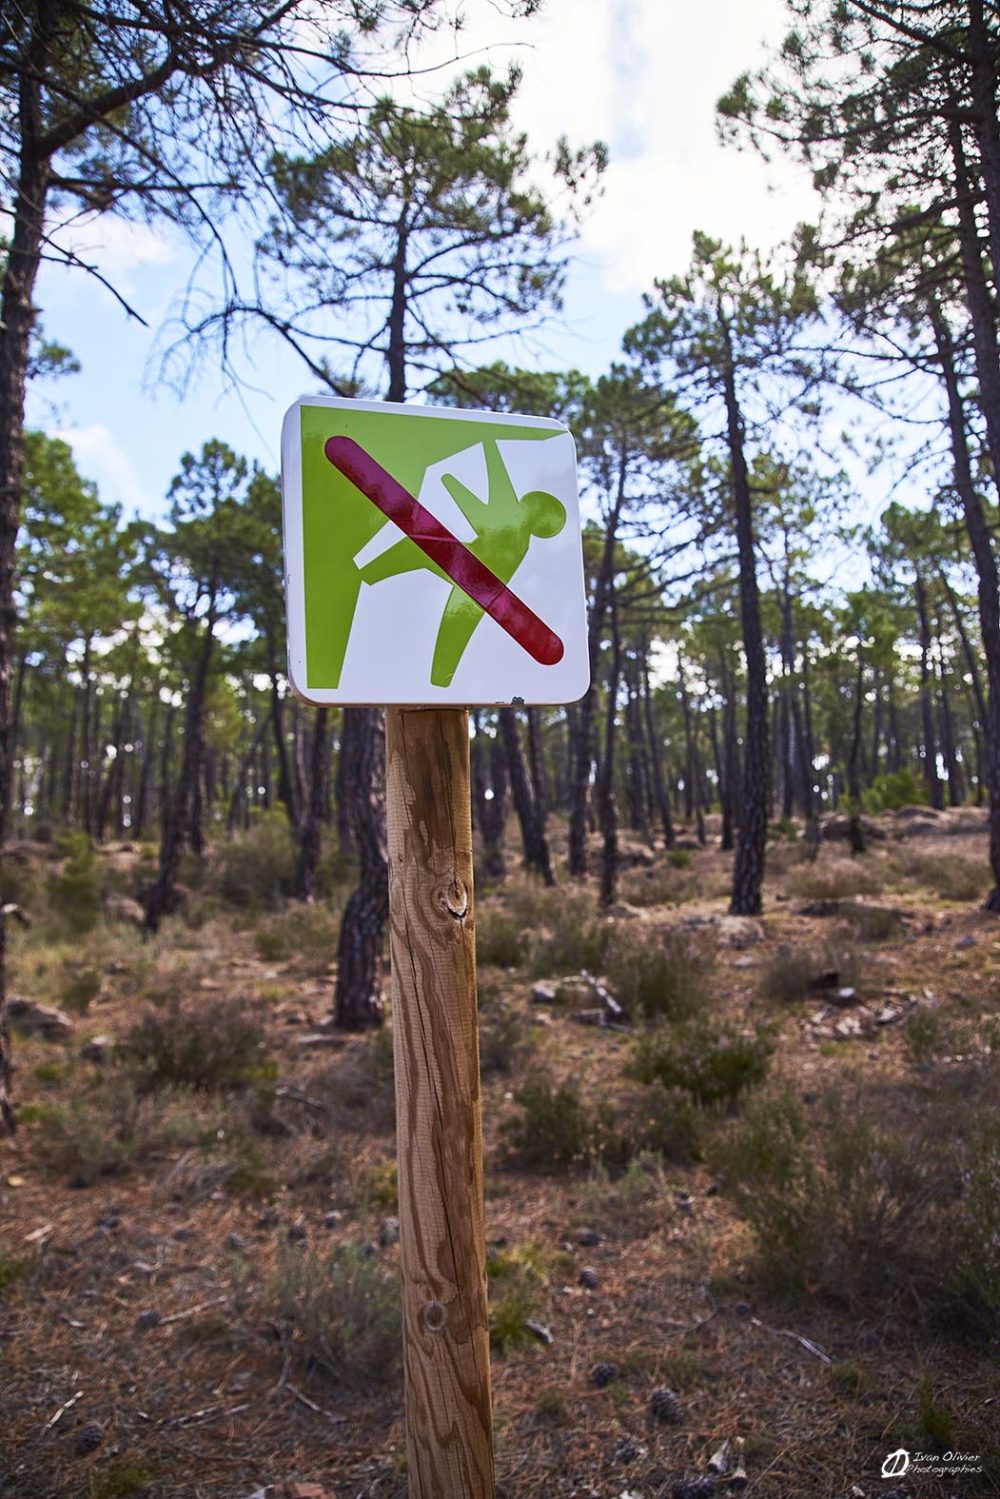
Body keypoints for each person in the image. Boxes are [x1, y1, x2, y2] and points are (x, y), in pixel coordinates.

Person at [357, 436, 565, 686]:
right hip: (473, 576)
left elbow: (493, 485)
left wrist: (488, 446)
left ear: (536, 509)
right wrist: (455, 482)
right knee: (451, 626)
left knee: (450, 626)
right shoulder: (521, 537)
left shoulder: (516, 521)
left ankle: (364, 575)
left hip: (474, 579)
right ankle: (364, 575)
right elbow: (481, 508)